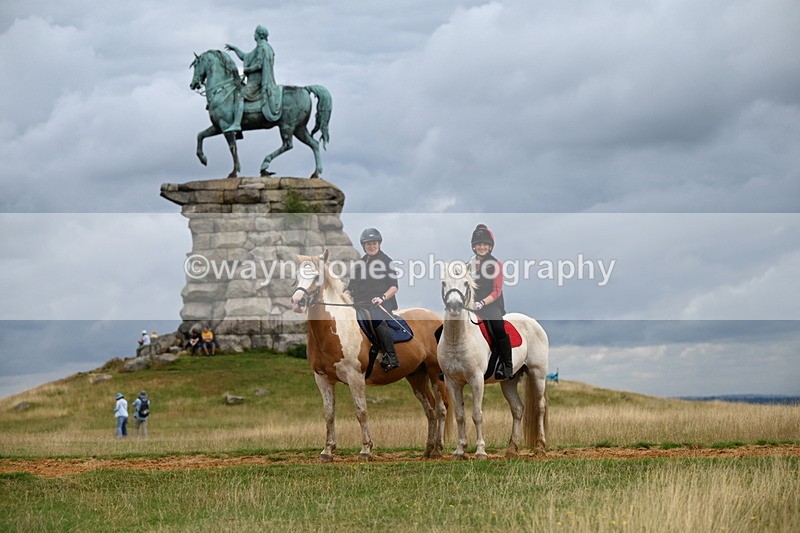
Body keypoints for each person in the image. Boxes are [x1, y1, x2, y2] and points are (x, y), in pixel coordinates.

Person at [344, 228, 400, 371]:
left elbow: (394, 287)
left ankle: (392, 356)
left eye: (374, 243)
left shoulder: (387, 261)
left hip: (380, 303)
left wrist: (382, 297)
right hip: (360, 304)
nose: (372, 246)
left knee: (376, 319)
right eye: (368, 244)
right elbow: (351, 286)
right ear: (363, 246)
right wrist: (346, 293)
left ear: (379, 244)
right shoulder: (360, 264)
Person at [469, 224, 513, 380]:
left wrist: (482, 303)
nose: (481, 247)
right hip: (471, 305)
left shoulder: (496, 264)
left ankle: (507, 365)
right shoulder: (469, 265)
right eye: (478, 244)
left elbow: (496, 290)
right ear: (474, 246)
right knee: (444, 328)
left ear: (490, 247)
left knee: (498, 328)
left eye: (485, 244)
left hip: (491, 304)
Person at [224, 25, 283, 133]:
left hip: (257, 83)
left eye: (255, 33)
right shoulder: (264, 47)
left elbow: (259, 65)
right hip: (256, 81)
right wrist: (235, 49)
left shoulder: (262, 47)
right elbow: (245, 56)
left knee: (239, 95)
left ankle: (237, 124)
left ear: (259, 35)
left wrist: (247, 70)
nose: (253, 35)